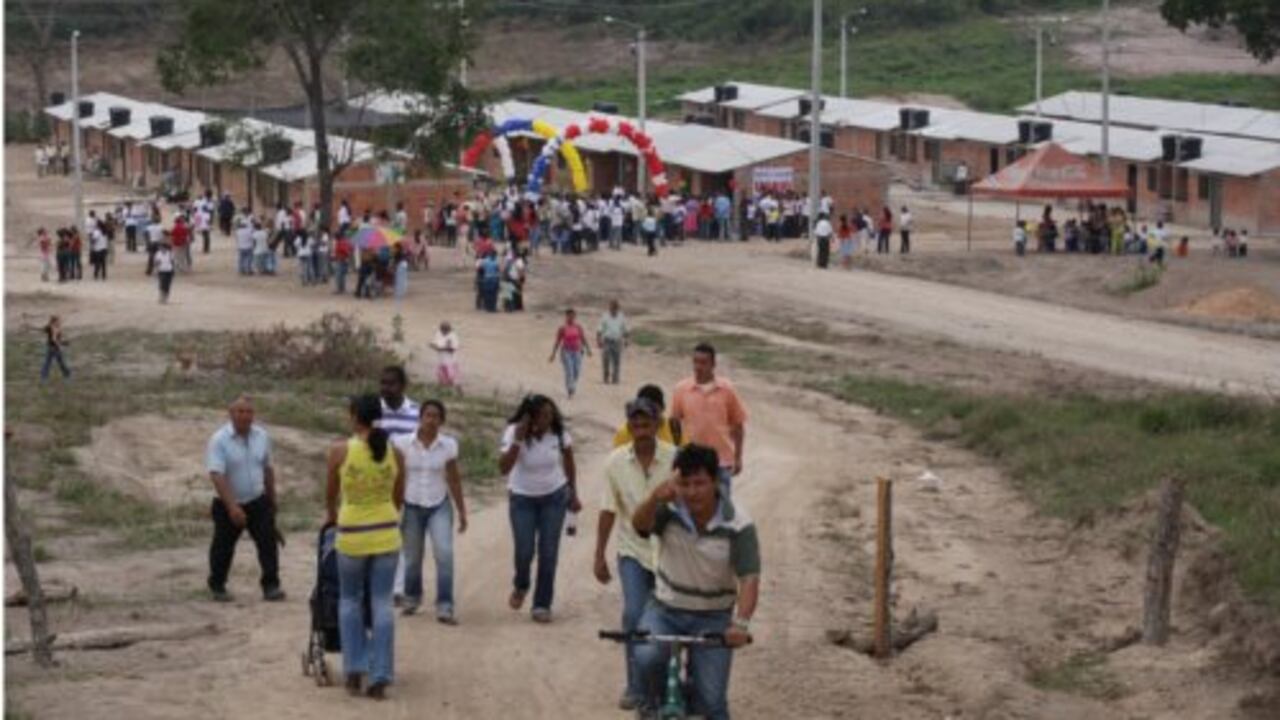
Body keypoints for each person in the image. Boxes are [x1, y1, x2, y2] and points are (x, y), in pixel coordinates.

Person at [632, 444, 759, 720]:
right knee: (646, 657)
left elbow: (749, 577)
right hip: (665, 610)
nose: (692, 492)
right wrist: (655, 497)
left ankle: (696, 694)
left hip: (714, 618)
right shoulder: (668, 510)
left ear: (715, 481)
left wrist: (741, 624)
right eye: (685, 483)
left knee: (712, 702)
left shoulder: (738, 522)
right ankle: (651, 705)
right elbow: (639, 525)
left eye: (700, 483)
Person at [595, 398, 678, 711]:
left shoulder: (675, 459)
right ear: (629, 427)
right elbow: (608, 509)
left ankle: (672, 679)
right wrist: (599, 554)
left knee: (671, 616)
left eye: (647, 424)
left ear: (658, 425)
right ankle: (635, 685)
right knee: (633, 614)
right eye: (636, 424)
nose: (641, 430)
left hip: (671, 553)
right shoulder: (615, 462)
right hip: (632, 551)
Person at [326, 394, 404, 700]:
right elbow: (398, 498)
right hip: (386, 533)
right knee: (382, 602)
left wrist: (334, 518)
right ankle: (381, 672)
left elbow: (331, 496)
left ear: (353, 415)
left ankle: (355, 667)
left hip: (352, 534)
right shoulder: (395, 453)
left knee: (349, 600)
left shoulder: (339, 450)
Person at [500, 395, 579, 623]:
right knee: (524, 551)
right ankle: (521, 584)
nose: (548, 418)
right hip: (522, 499)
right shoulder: (514, 432)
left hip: (554, 497)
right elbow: (503, 469)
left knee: (549, 552)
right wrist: (517, 441)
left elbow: (570, 462)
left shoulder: (560, 434)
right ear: (531, 416)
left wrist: (573, 493)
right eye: (543, 414)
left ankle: (542, 604)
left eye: (550, 413)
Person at [392, 400, 467, 622]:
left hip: (439, 505)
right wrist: (394, 507)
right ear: (420, 418)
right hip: (412, 504)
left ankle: (445, 604)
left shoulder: (449, 445)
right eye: (427, 415)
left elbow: (453, 479)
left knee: (444, 553)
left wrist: (462, 510)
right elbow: (396, 477)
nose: (431, 420)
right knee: (413, 557)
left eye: (436, 416)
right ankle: (412, 598)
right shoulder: (402, 443)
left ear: (442, 420)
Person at [205, 395, 284, 602]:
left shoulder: (262, 436)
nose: (245, 416)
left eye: (249, 412)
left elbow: (268, 469)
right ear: (231, 414)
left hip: (257, 500)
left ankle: (271, 586)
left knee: (268, 544)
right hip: (227, 503)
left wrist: (272, 500)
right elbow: (216, 474)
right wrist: (232, 507)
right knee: (223, 546)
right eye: (240, 411)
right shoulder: (219, 440)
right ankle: (217, 585)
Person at [669, 343, 747, 491]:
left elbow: (738, 426)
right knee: (692, 507)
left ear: (713, 364)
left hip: (721, 462)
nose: (698, 367)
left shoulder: (727, 389)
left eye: (703, 362)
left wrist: (738, 458)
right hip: (692, 462)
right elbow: (674, 421)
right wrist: (678, 447)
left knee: (723, 508)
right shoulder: (681, 389)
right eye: (695, 362)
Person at [613, 385, 682, 448]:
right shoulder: (624, 434)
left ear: (662, 408)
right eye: (645, 413)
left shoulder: (675, 430)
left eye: (655, 412)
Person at [549, 308, 591, 399]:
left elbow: (583, 338)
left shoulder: (578, 327)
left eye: (573, 316)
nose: (571, 318)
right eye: (569, 316)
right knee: (569, 371)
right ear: (566, 316)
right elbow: (557, 341)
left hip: (577, 351)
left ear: (575, 317)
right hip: (566, 352)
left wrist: (588, 349)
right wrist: (553, 354)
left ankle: (572, 384)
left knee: (577, 371)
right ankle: (570, 389)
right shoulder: (562, 328)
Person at [377, 366, 420, 440]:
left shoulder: (417, 412)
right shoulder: (373, 410)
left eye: (391, 384)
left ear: (403, 386)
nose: (385, 388)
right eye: (383, 383)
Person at [597, 300, 629, 386]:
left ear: (617, 309)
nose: (613, 310)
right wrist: (599, 339)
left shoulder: (621, 317)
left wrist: (626, 339)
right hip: (607, 340)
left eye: (615, 308)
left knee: (616, 361)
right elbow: (600, 328)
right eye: (612, 308)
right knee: (606, 360)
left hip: (617, 341)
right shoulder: (605, 316)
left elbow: (624, 328)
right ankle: (606, 377)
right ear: (609, 308)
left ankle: (615, 378)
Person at [431, 322, 462, 393]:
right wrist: (433, 346)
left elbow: (453, 349)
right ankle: (440, 392)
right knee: (441, 377)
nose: (443, 331)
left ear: (449, 330)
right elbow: (435, 343)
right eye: (442, 330)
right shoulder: (439, 334)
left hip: (450, 362)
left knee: (453, 378)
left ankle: (459, 392)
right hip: (441, 360)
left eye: (445, 330)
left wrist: (441, 349)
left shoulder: (452, 336)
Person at [40, 315, 71, 382]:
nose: (60, 322)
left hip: (50, 347)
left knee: (50, 363)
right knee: (57, 363)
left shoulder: (52, 327)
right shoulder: (53, 328)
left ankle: (44, 378)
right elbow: (54, 339)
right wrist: (60, 345)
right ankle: (67, 376)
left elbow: (45, 330)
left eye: (59, 321)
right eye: (58, 321)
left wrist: (63, 343)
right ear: (54, 322)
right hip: (54, 348)